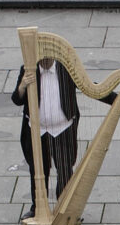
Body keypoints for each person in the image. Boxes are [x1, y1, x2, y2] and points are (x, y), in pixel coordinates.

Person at [14, 49, 80, 205]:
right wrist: (23, 85)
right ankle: (37, 207)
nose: (43, 62)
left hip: (63, 130)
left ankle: (64, 207)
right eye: (41, 59)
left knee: (65, 171)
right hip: (38, 130)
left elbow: (88, 85)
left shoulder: (67, 69)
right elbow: (17, 100)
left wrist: (115, 99)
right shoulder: (28, 69)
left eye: (47, 58)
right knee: (37, 171)